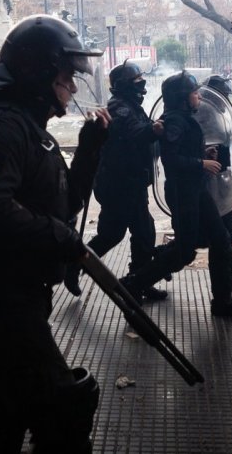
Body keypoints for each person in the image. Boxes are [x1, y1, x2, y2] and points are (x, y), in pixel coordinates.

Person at [0, 14, 109, 453]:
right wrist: (58, 236)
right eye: (66, 74)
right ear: (38, 72)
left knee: (3, 414)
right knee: (62, 409)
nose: (72, 85)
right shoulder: (1, 129)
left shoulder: (30, 131)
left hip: (12, 295)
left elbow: (64, 205)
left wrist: (89, 151)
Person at [122, 71, 232, 318]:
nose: (198, 99)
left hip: (196, 189)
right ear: (183, 98)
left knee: (221, 239)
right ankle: (133, 283)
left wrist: (205, 154)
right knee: (185, 251)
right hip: (183, 193)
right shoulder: (174, 121)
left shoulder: (183, 118)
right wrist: (200, 163)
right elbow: (171, 161)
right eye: (194, 94)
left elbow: (184, 151)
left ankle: (222, 301)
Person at [64, 61, 166, 300]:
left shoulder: (129, 106)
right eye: (137, 82)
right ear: (124, 86)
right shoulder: (120, 109)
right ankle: (80, 266)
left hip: (130, 183)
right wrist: (155, 131)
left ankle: (137, 281)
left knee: (132, 233)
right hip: (119, 185)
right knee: (129, 233)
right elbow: (135, 135)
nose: (142, 87)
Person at [199, 75, 232, 287]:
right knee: (217, 233)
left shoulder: (216, 110)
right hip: (208, 179)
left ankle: (229, 273)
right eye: (224, 95)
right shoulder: (205, 111)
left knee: (228, 226)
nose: (226, 99)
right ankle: (224, 282)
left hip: (219, 176)